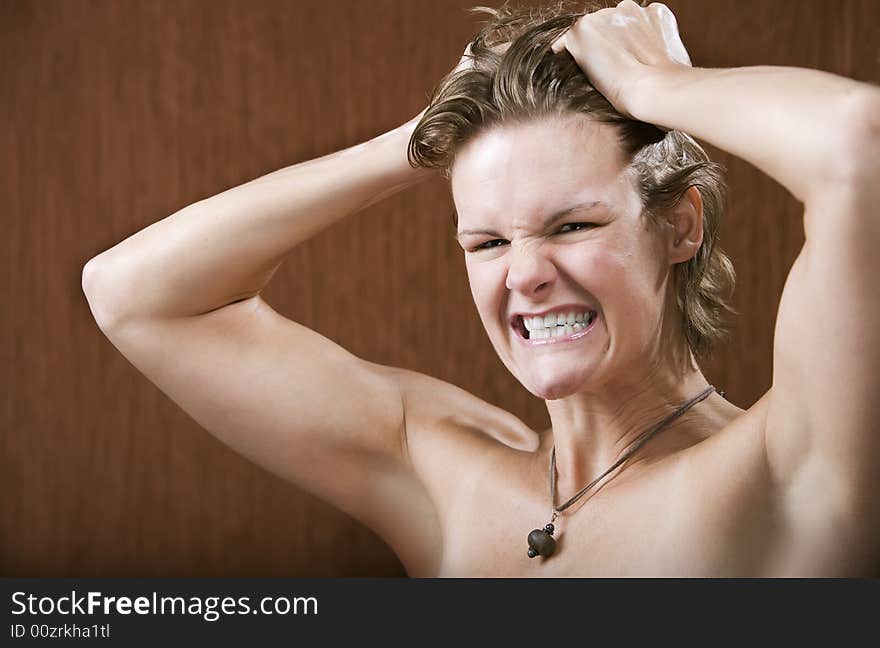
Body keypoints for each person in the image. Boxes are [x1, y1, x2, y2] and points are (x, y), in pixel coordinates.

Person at [81, 0, 880, 576]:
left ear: (679, 227)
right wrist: (421, 138)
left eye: (572, 226)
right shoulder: (436, 469)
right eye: (489, 241)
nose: (526, 274)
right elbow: (134, 294)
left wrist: (656, 86)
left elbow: (861, 149)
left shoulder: (784, 470)